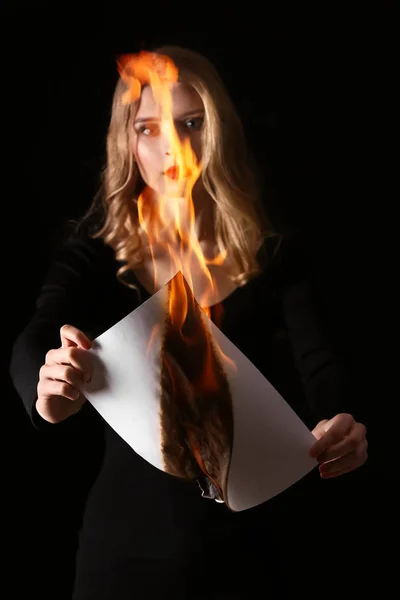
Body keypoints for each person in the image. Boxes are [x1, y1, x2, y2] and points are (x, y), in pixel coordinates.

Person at [10, 45, 368, 599]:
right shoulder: (98, 254)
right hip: (127, 549)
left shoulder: (272, 255)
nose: (170, 146)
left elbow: (322, 366)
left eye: (191, 123)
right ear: (126, 142)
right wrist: (46, 384)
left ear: (218, 130)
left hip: (261, 549)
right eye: (148, 128)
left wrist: (343, 422)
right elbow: (37, 335)